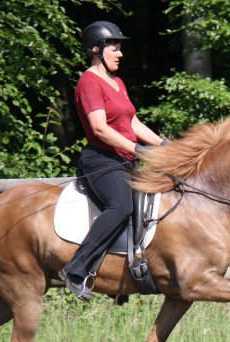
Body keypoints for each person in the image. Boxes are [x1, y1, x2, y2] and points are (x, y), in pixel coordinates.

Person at [59, 20, 164, 302]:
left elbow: (132, 121)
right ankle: (76, 269)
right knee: (120, 206)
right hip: (101, 159)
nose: (120, 53)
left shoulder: (117, 82)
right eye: (114, 48)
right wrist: (138, 149)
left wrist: (164, 146)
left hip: (126, 158)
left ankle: (125, 270)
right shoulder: (88, 82)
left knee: (152, 204)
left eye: (119, 48)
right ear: (96, 49)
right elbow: (100, 129)